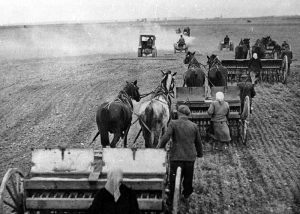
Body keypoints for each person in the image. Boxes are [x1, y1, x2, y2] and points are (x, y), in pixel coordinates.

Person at [159, 105, 203, 207]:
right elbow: (198, 142)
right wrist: (200, 154)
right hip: (189, 157)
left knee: (173, 180)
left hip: (176, 157)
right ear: (188, 115)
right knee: (188, 178)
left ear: (178, 113)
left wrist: (160, 147)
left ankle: (171, 199)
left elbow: (166, 137)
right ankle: (186, 195)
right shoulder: (194, 126)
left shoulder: (173, 123)